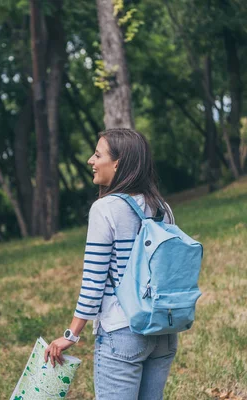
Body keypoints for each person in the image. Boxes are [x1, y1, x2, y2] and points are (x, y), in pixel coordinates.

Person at [44, 128, 177, 400]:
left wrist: (71, 334)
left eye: (97, 154)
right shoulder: (162, 207)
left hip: (123, 330)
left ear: (118, 162)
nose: (91, 161)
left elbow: (93, 281)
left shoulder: (105, 208)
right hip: (163, 330)